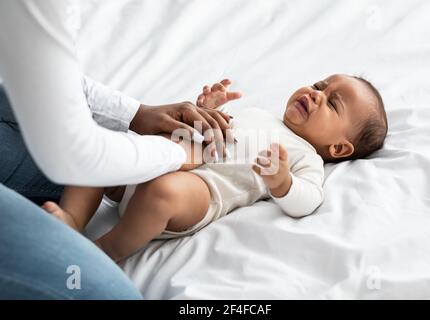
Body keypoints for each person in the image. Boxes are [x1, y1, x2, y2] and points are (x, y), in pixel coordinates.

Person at [0, 0, 231, 299]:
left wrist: (136, 114)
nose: (313, 94)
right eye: (314, 85)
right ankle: (87, 237)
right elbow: (78, 155)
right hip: (117, 165)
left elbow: (37, 69)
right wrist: (175, 152)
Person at [42, 74, 388, 263]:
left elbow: (308, 199)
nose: (315, 94)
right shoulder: (261, 115)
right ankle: (72, 220)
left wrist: (282, 182)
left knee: (163, 192)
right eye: (319, 86)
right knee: (104, 149)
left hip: (199, 193)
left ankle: (104, 252)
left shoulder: (305, 157)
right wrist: (208, 108)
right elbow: (211, 129)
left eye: (331, 102)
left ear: (339, 148)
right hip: (147, 163)